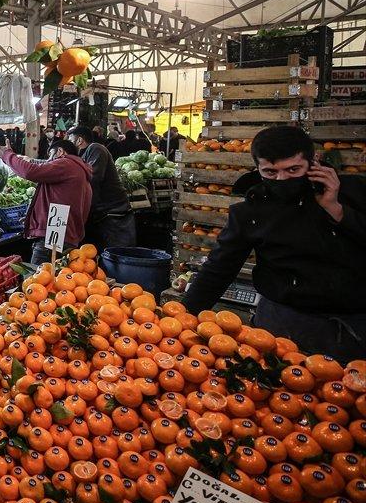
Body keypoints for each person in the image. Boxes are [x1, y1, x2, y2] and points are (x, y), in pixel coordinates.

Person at [181, 126, 366, 361]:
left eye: (293, 169)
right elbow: (219, 267)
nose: (282, 179)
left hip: (353, 327)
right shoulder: (251, 210)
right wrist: (184, 318)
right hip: (281, 324)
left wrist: (336, 210)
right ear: (257, 168)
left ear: (313, 162)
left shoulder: (353, 192)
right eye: (270, 172)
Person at [0, 139, 93, 266]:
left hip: (53, 237)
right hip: (66, 235)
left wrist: (7, 155)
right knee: (54, 280)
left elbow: (31, 171)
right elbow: (60, 199)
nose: (48, 161)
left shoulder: (66, 164)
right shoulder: (79, 171)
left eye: (50, 155)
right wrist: (35, 217)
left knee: (37, 282)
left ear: (59, 151)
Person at [67, 126, 135, 251]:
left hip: (114, 213)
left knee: (114, 255)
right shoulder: (82, 156)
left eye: (71, 141)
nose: (69, 146)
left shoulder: (96, 149)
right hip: (102, 214)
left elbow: (92, 177)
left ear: (79, 140)